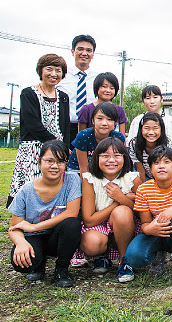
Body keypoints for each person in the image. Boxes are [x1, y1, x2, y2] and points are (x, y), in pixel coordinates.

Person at [8, 140, 81, 287]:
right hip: (33, 238)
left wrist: (35, 227)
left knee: (72, 224)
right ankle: (38, 265)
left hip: (57, 236)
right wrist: (20, 242)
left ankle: (61, 269)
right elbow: (14, 227)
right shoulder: (26, 191)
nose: (55, 166)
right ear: (39, 161)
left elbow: (71, 213)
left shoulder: (72, 180)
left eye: (60, 161)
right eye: (49, 161)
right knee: (23, 263)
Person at [124, 146, 172, 287]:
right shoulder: (143, 189)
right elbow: (145, 224)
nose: (161, 167)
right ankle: (158, 257)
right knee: (134, 257)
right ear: (151, 169)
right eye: (156, 163)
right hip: (156, 233)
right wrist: (151, 229)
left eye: (166, 162)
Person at [8, 54, 70, 207]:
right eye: (49, 69)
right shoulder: (28, 93)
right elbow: (32, 124)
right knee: (30, 187)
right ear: (41, 71)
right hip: (33, 149)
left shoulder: (63, 97)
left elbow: (66, 125)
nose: (54, 74)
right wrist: (55, 143)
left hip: (58, 151)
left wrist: (65, 147)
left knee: (55, 187)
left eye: (58, 70)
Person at [79, 138, 140, 282]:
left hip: (125, 225)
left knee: (122, 212)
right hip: (97, 226)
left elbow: (142, 211)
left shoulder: (132, 178)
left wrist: (123, 199)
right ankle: (102, 256)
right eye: (105, 156)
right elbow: (88, 220)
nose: (111, 160)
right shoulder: (90, 180)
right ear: (96, 157)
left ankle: (124, 261)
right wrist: (117, 201)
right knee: (92, 244)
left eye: (117, 155)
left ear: (124, 158)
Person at [57, 34, 98, 144]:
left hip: (91, 129)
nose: (84, 53)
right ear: (72, 51)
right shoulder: (61, 76)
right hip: (65, 129)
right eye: (80, 49)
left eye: (89, 50)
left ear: (93, 54)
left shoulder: (99, 79)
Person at [67, 102, 125, 174]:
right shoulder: (83, 136)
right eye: (100, 118)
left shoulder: (119, 138)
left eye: (109, 119)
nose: (104, 123)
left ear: (115, 123)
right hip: (78, 169)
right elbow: (84, 169)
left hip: (105, 169)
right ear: (93, 121)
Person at [128, 112, 169, 182]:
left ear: (161, 129)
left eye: (155, 128)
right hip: (146, 177)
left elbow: (168, 169)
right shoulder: (134, 144)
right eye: (147, 128)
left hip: (163, 176)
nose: (151, 132)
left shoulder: (168, 144)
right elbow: (140, 171)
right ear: (141, 129)